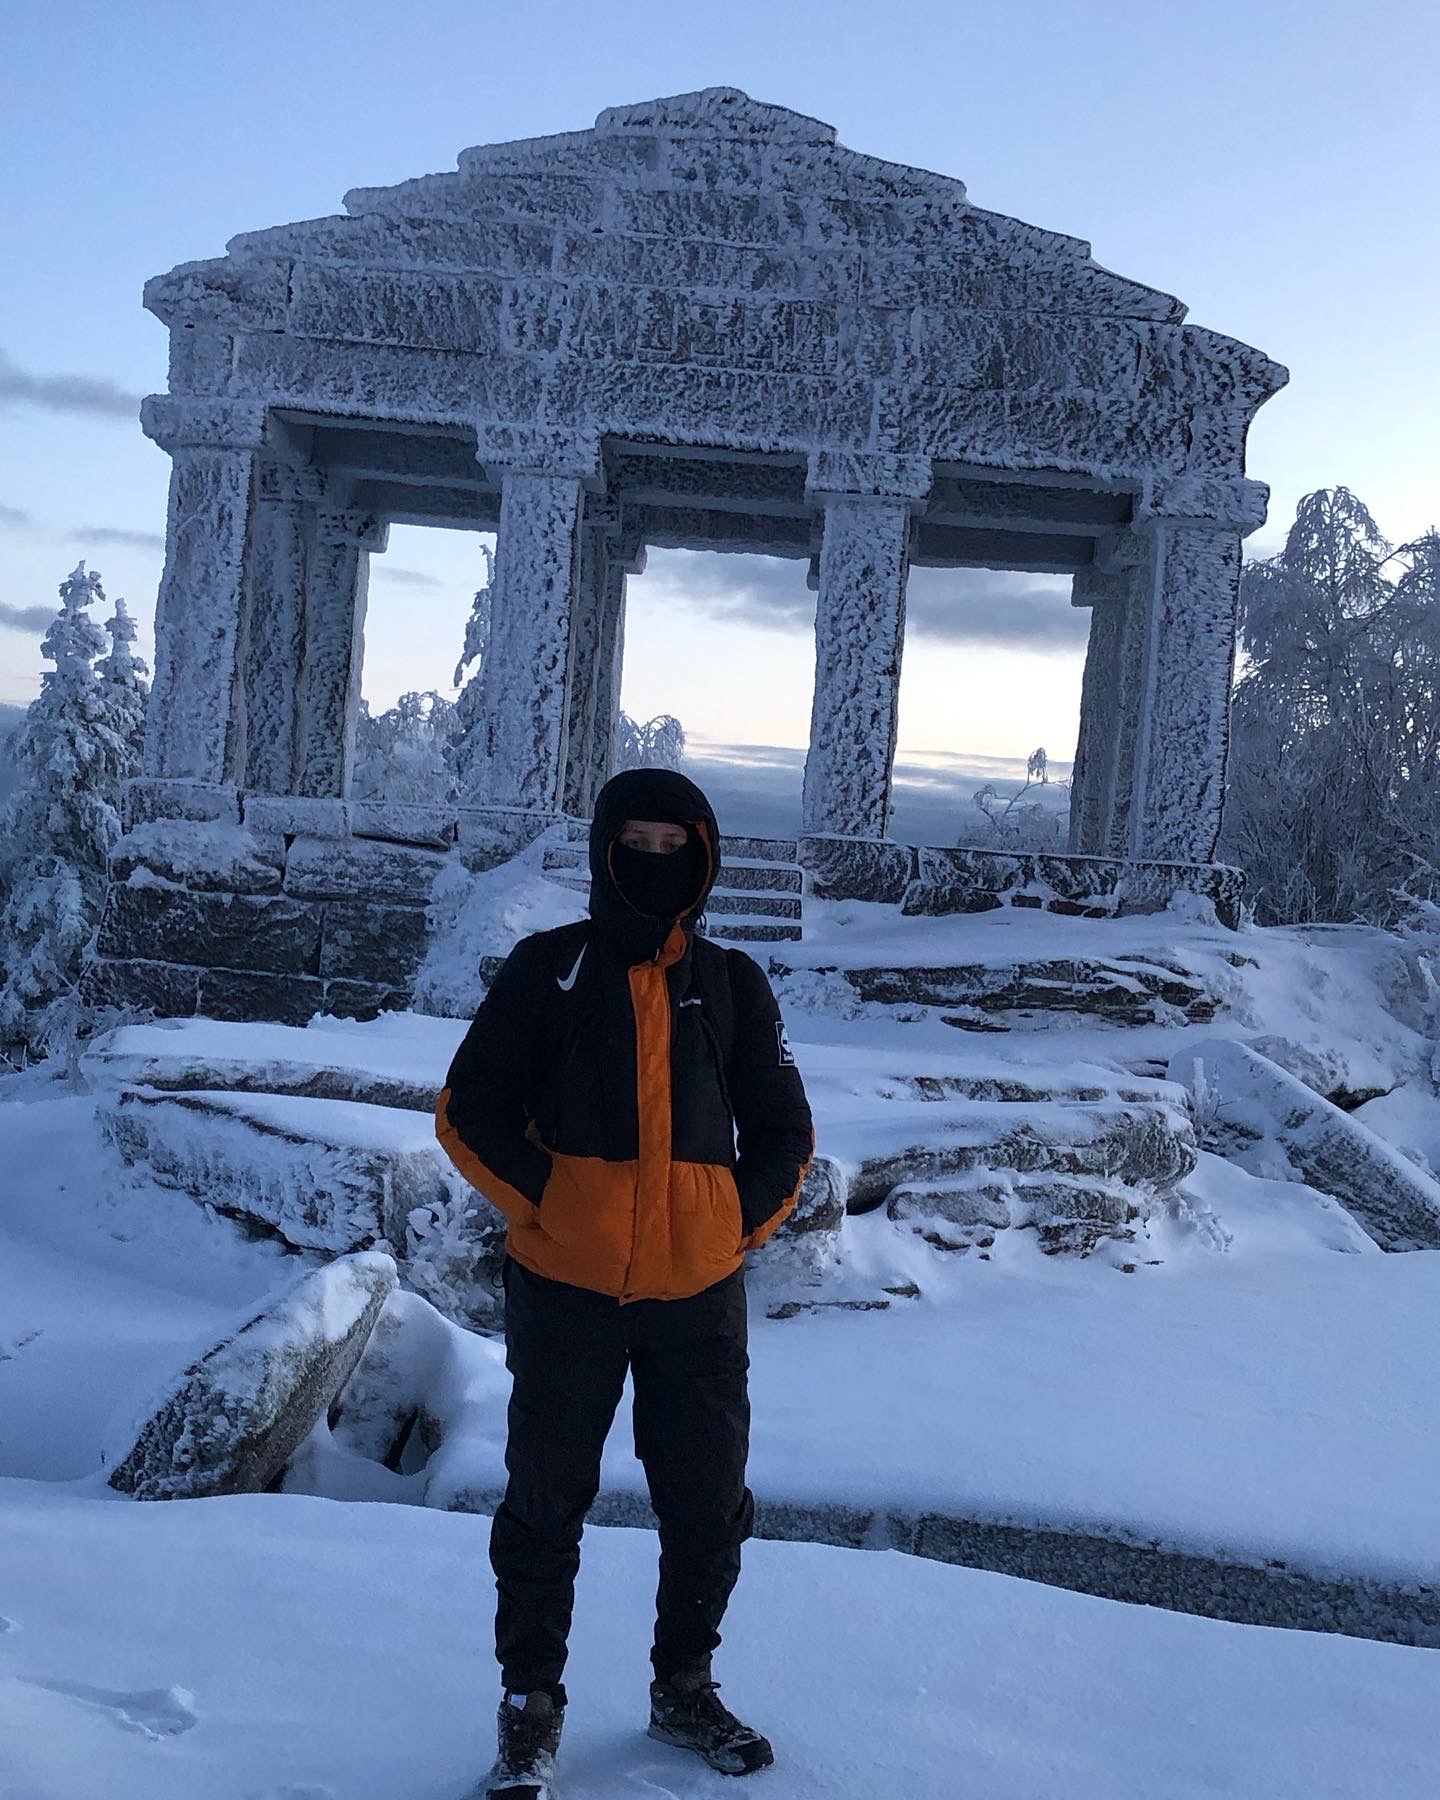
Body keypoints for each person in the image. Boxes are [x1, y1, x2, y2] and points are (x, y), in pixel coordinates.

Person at [436, 768, 814, 1800]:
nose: (655, 861)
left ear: (704, 857)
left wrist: (728, 1225)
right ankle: (530, 1708)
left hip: (698, 1301)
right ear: (606, 852)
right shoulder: (547, 968)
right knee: (543, 1507)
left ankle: (684, 1688)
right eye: (635, 844)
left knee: (708, 1505)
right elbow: (469, 1108)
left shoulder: (733, 984)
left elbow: (784, 1130)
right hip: (566, 1291)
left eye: (674, 846)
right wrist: (553, 1202)